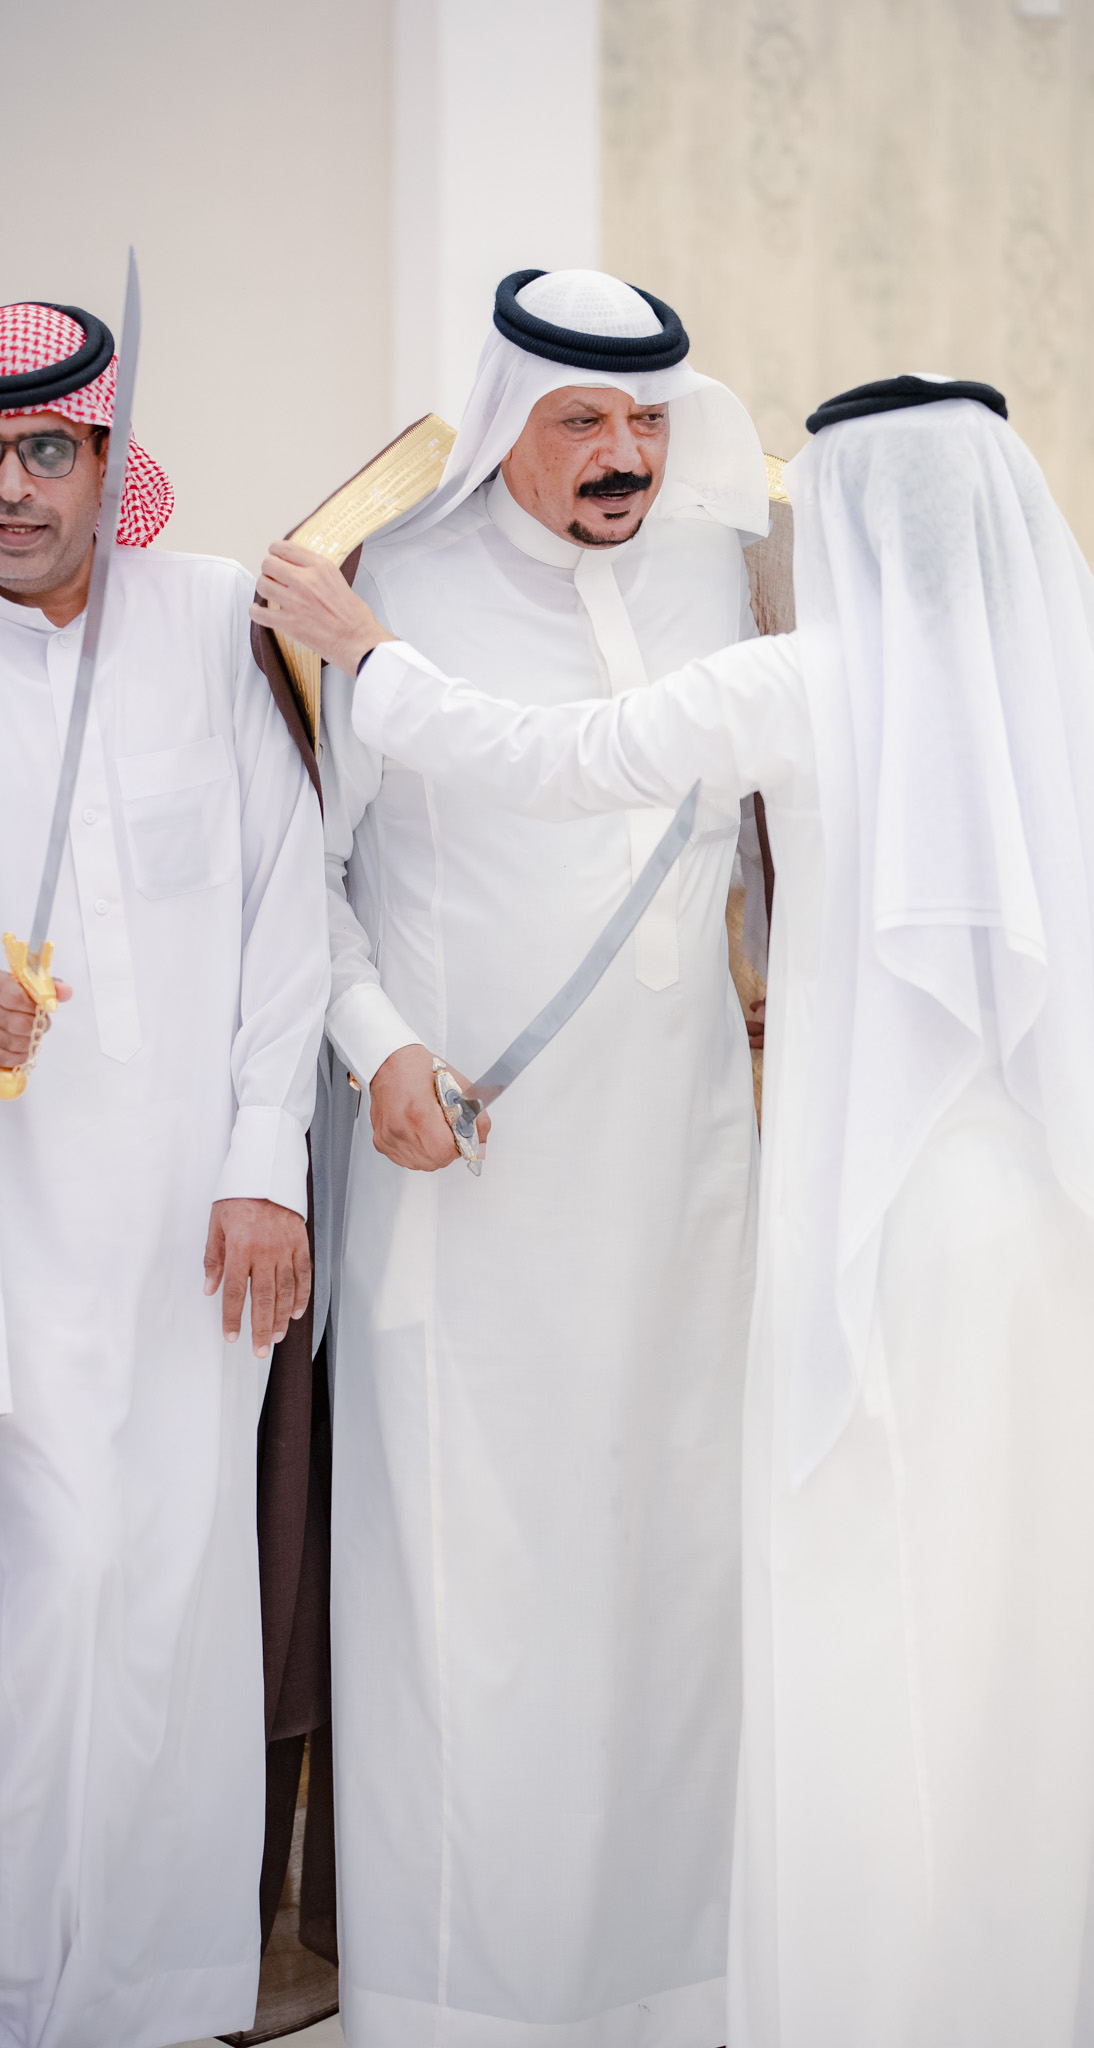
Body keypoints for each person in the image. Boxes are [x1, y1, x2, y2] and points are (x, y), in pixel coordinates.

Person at [259, 372, 1094, 2048]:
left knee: (891, 1640)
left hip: (909, 1231)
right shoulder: (1092, 691)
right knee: (1080, 1630)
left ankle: (901, 2003)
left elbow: (549, 756)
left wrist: (367, 651)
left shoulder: (814, 680)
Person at [259, 267, 771, 2048]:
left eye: (648, 421)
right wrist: (374, 1043)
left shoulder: (722, 574)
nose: (626, 455)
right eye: (581, 421)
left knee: (673, 1587)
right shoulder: (392, 586)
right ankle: (461, 2004)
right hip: (465, 1184)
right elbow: (305, 880)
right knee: (475, 1602)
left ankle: (672, 1990)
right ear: (506, 424)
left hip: (686, 1182)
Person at [0, 302, 329, 2048]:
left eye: (45, 450)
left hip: (202, 1230)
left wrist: (267, 1156)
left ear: (109, 459)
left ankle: (149, 1991)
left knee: (172, 1591)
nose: (12, 487)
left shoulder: (207, 621)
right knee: (52, 1582)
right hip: (21, 1220)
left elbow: (292, 897)